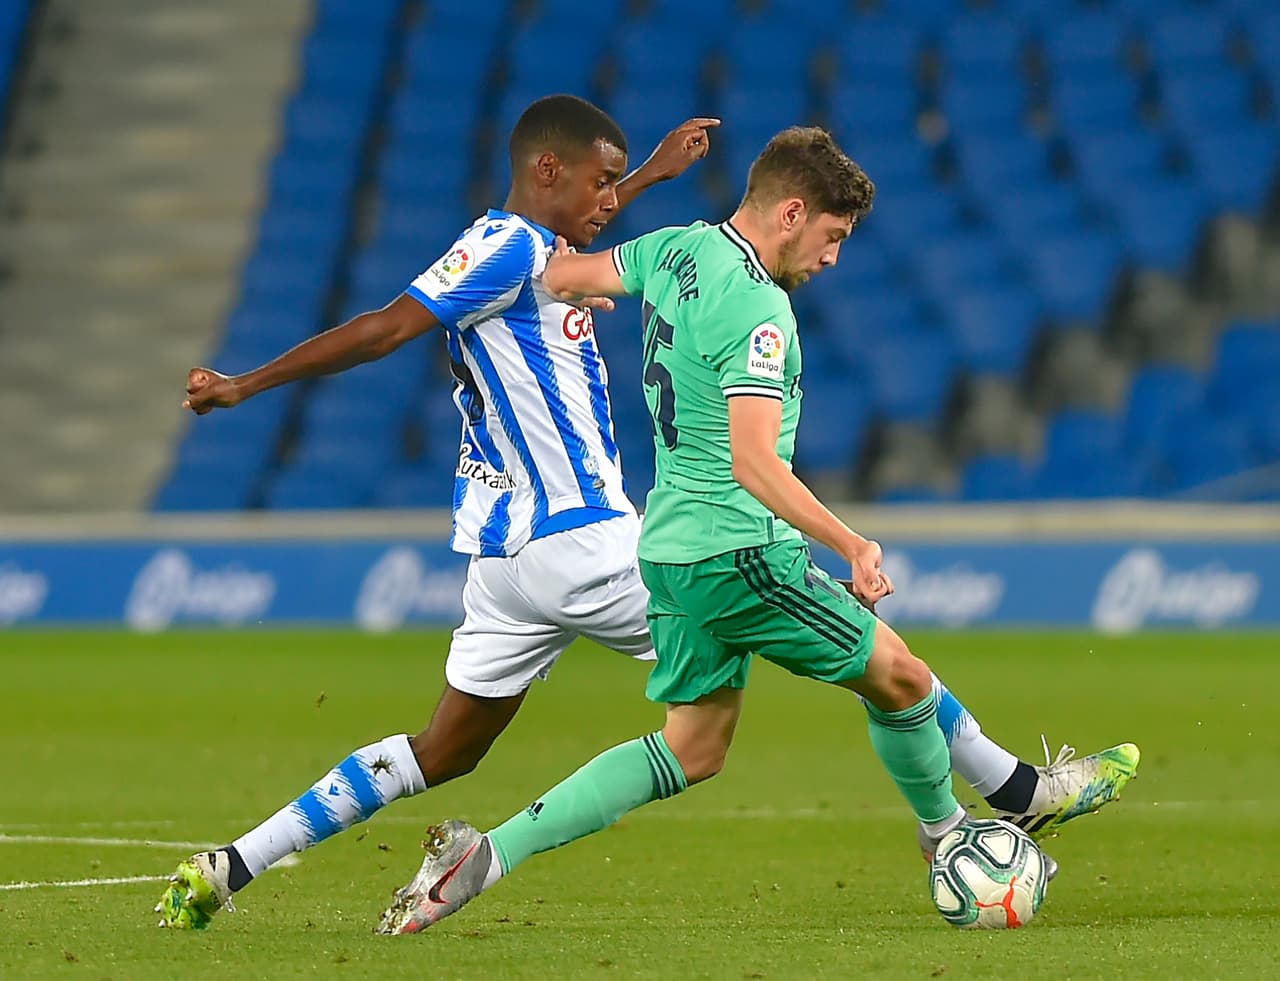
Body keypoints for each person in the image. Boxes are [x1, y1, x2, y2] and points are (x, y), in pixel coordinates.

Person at [157, 101, 1136, 931]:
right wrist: (247, 384)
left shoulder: (582, 249)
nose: (604, 205)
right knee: (878, 656)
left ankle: (233, 865)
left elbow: (602, 254)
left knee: (462, 750)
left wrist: (652, 180)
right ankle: (1012, 800)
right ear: (547, 172)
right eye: (596, 184)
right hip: (599, 541)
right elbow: (386, 327)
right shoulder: (506, 249)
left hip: (505, 559)